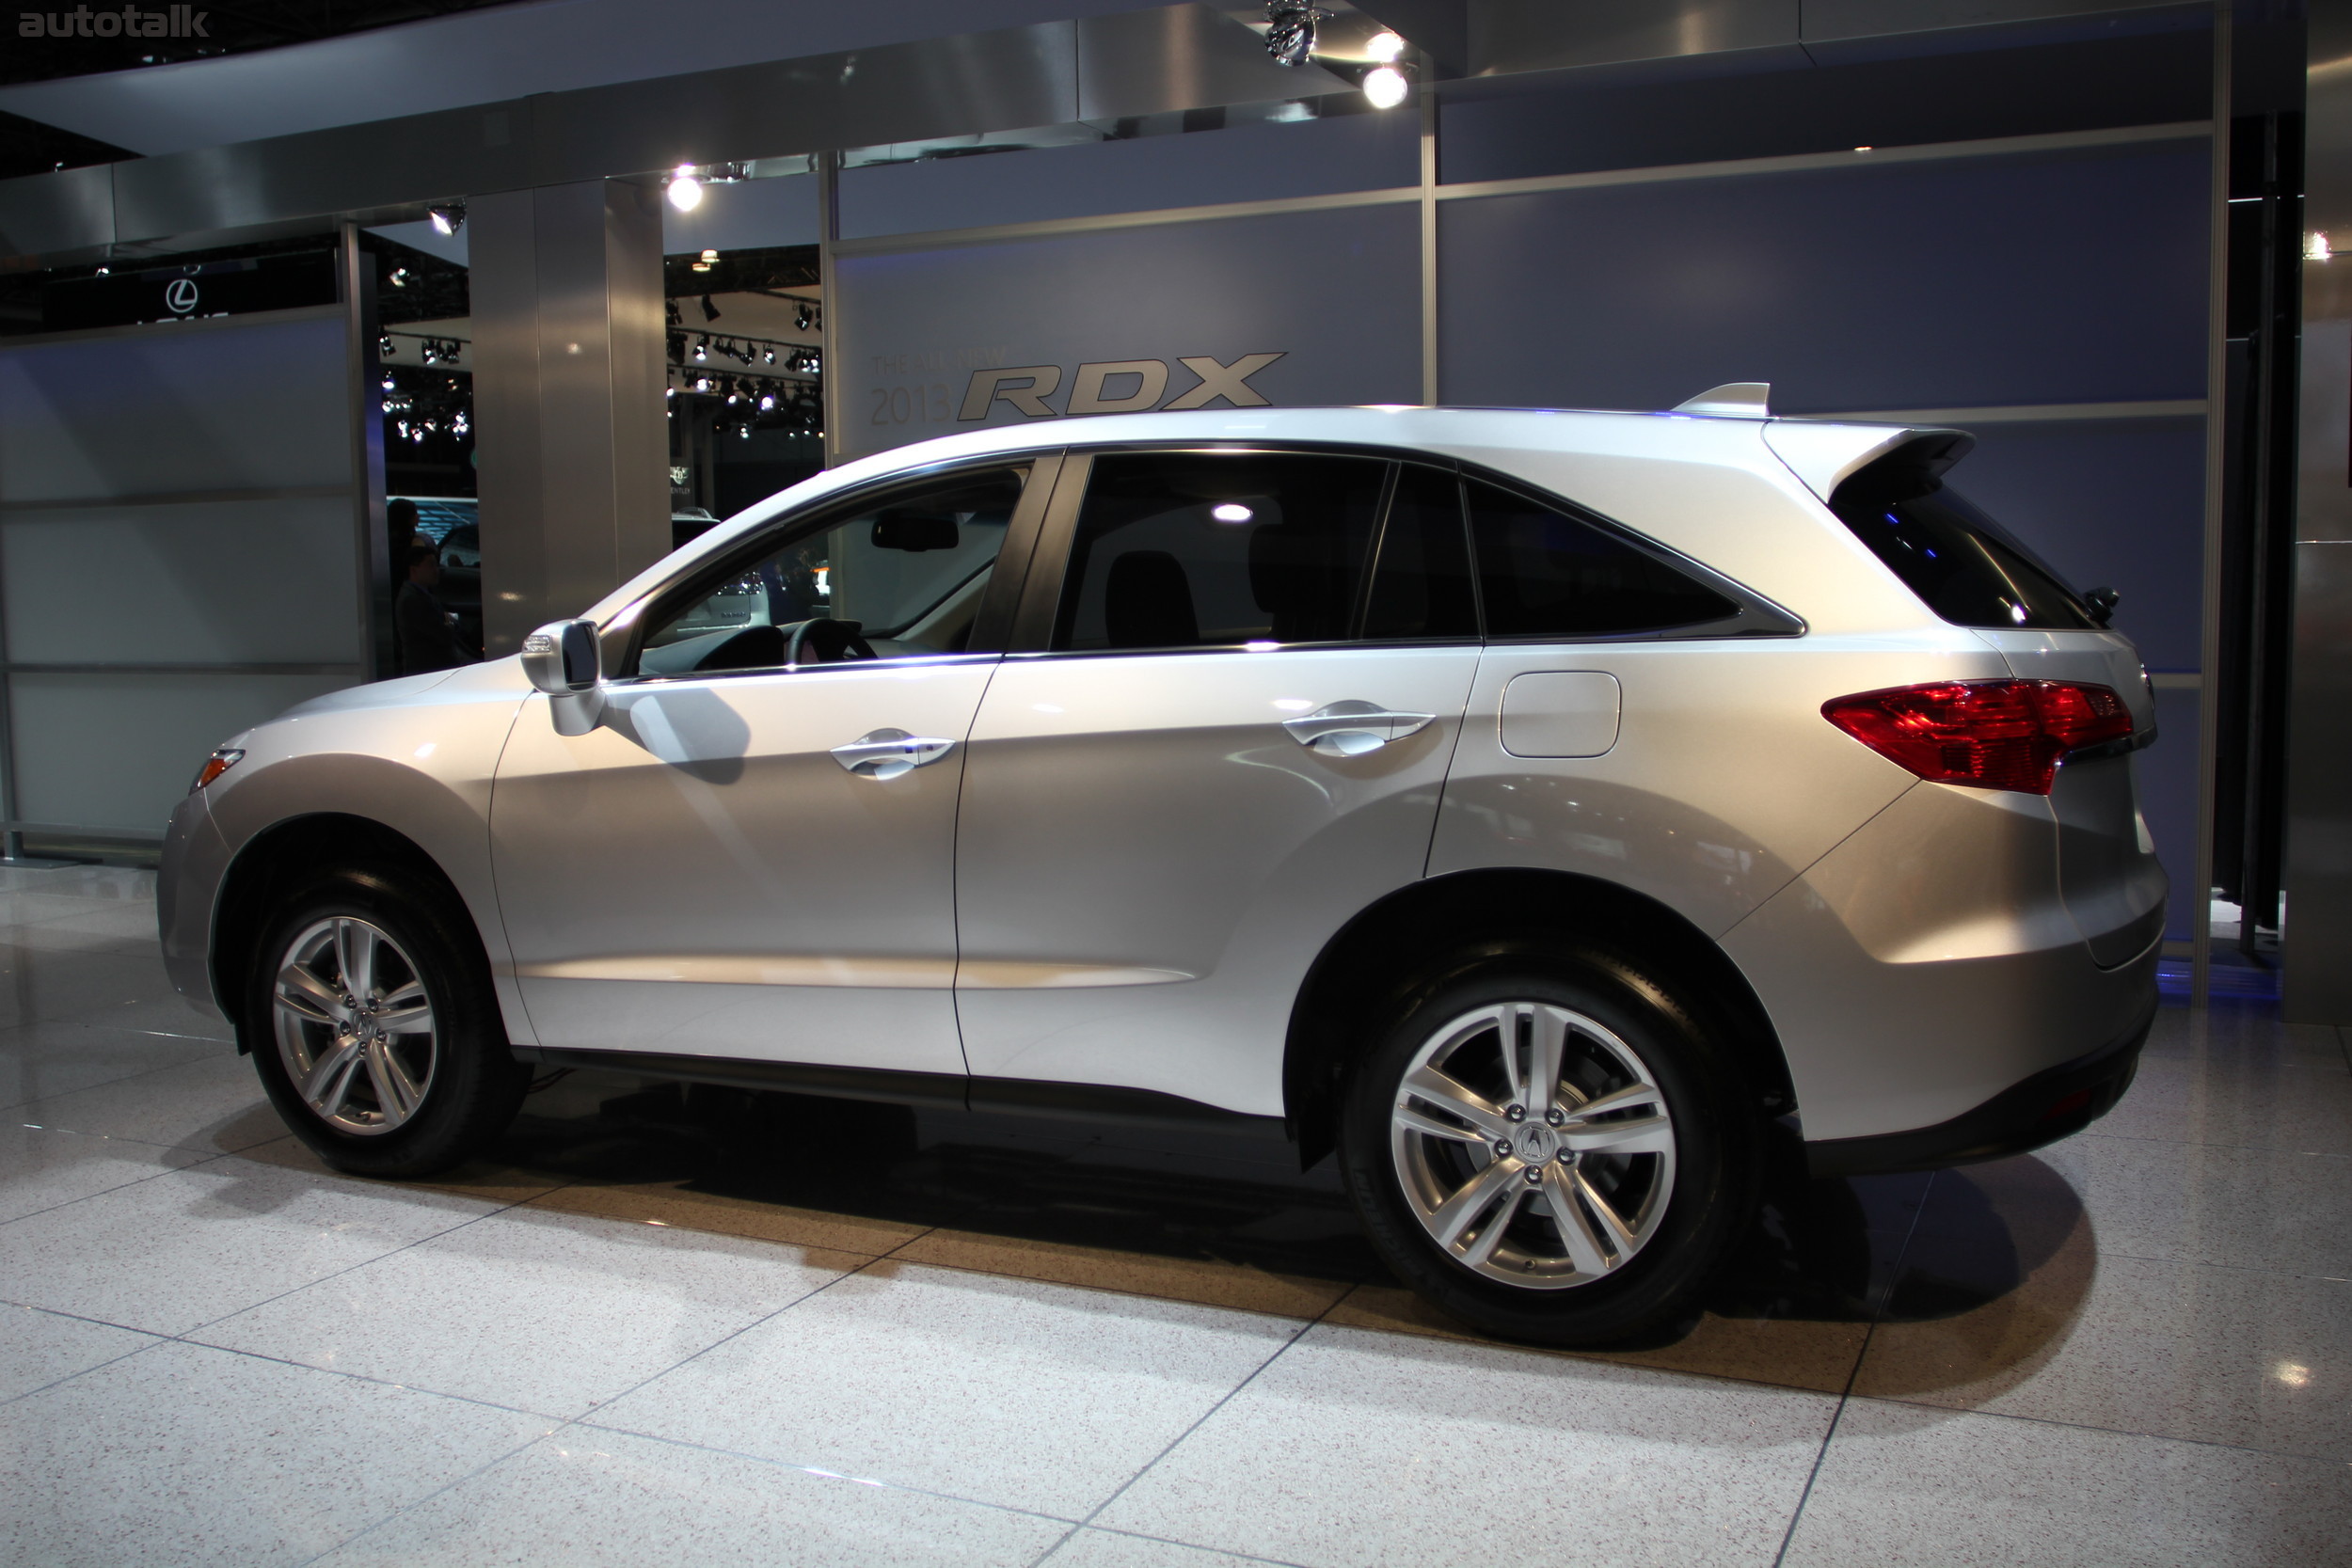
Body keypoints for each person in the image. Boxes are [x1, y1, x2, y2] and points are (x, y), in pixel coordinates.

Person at [395, 543, 476, 674]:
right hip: (427, 670)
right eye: (431, 565)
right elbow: (442, 634)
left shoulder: (420, 595)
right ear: (414, 570)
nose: (436, 569)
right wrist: (451, 625)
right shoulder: (412, 600)